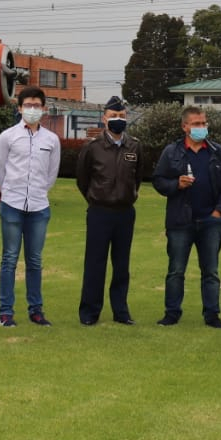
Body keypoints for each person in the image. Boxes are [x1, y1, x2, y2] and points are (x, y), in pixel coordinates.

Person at [152, 105, 221, 329]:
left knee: (211, 271)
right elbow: (158, 180)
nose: (202, 127)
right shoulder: (172, 152)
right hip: (180, 221)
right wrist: (175, 184)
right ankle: (172, 313)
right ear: (185, 126)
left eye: (204, 123)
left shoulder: (218, 152)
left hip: (211, 222)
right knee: (176, 270)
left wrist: (219, 211)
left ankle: (212, 315)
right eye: (197, 124)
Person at [0, 86, 60, 327]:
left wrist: (38, 192)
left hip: (39, 208)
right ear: (19, 108)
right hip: (12, 204)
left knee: (34, 260)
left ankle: (36, 310)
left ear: (44, 108)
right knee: (9, 259)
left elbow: (51, 175)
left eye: (37, 105)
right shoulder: (7, 137)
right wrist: (12, 192)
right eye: (28, 105)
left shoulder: (51, 140)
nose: (32, 110)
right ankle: (5, 312)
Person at [75, 96, 144, 326]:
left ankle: (121, 311)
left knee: (121, 265)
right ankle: (89, 312)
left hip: (125, 213)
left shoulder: (134, 146)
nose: (118, 120)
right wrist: (96, 199)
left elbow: (138, 178)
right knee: (95, 263)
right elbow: (82, 180)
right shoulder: (92, 148)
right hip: (99, 212)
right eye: (113, 116)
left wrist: (129, 195)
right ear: (104, 118)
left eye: (122, 116)